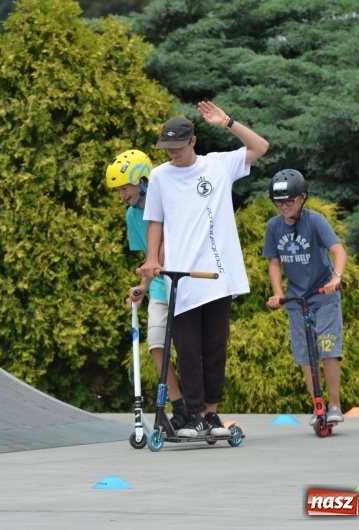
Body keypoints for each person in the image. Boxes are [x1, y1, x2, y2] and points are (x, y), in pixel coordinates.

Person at [140, 101, 269, 438]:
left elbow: (260, 146)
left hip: (218, 277)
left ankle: (211, 415)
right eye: (167, 147)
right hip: (182, 279)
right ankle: (194, 414)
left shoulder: (218, 166)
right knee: (187, 350)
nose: (173, 153)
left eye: (179, 146)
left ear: (193, 141)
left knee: (215, 348)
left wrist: (227, 122)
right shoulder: (160, 176)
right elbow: (154, 222)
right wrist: (152, 258)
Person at [105, 149, 188, 429]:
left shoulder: (166, 201)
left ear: (141, 181)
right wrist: (144, 287)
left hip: (183, 284)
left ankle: (198, 409)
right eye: (117, 190)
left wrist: (144, 282)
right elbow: (149, 257)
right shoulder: (132, 216)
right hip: (159, 288)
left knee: (187, 349)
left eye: (124, 188)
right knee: (156, 345)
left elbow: (164, 247)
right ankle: (179, 408)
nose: (121, 195)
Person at [263, 169, 347, 426]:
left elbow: (338, 250)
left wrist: (336, 278)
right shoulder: (274, 226)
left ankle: (334, 405)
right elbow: (274, 262)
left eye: (289, 201)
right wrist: (278, 293)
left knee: (328, 348)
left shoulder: (315, 221)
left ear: (302, 198)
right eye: (278, 202)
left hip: (323, 295)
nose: (284, 207)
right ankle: (317, 405)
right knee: (305, 355)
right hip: (297, 300)